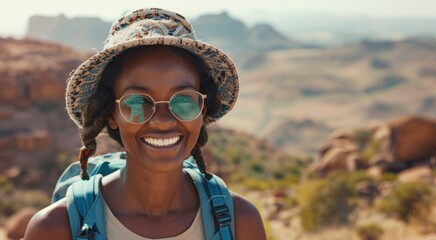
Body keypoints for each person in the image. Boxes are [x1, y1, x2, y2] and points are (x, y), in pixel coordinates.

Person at [24, 8, 267, 240]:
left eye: (183, 101)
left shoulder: (241, 221)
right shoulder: (55, 228)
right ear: (112, 114)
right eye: (139, 102)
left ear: (201, 111)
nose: (162, 121)